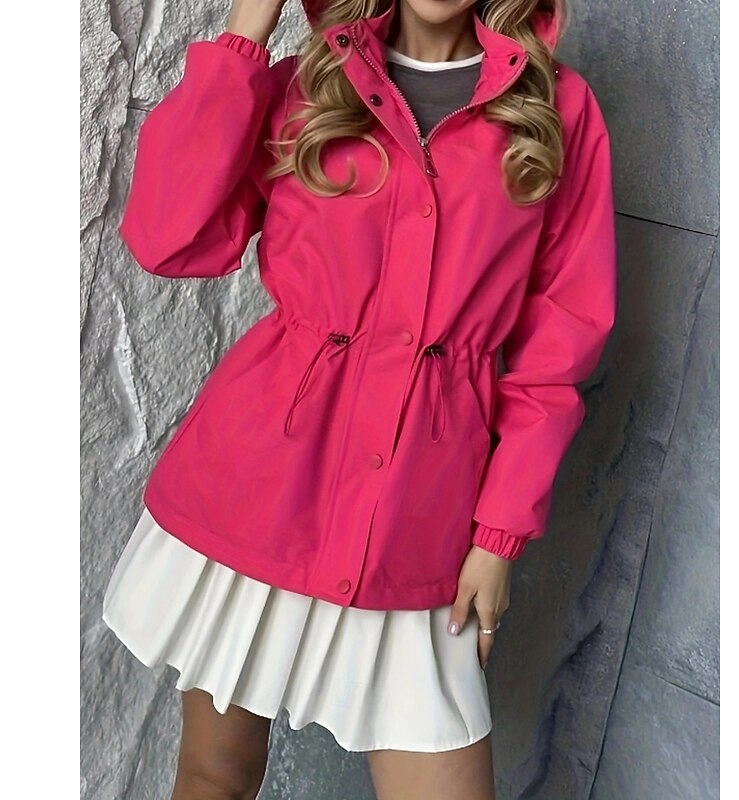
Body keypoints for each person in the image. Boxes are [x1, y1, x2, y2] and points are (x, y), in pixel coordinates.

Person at [100, 0, 617, 797]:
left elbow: (559, 347)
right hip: (259, 490)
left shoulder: (558, 111)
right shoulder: (309, 82)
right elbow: (169, 238)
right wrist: (247, 29)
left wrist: (500, 534)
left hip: (422, 514)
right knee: (215, 775)